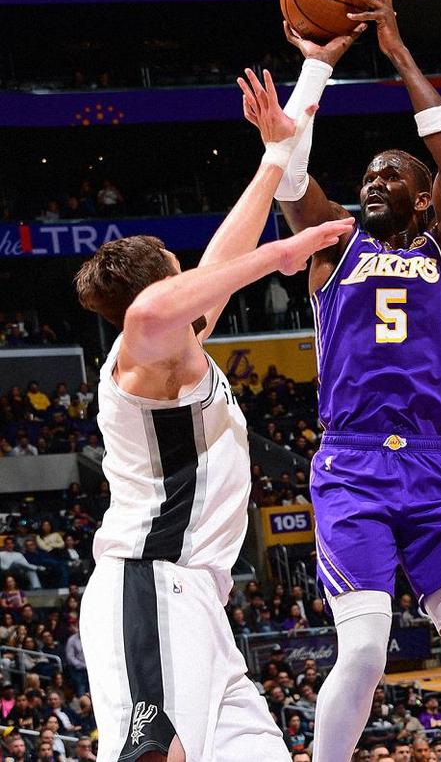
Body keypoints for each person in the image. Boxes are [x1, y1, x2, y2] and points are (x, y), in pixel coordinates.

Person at [242, 0, 441, 762]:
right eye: (367, 174)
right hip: (354, 467)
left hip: (433, 467)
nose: (374, 181)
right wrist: (315, 67)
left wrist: (394, 48)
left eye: (391, 174)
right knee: (363, 651)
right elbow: (291, 174)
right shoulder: (334, 244)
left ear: (422, 199)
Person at [75, 70, 353, 762]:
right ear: (163, 282)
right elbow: (155, 309)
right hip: (151, 583)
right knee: (152, 753)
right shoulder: (141, 357)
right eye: (181, 270)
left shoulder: (180, 348)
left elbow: (222, 255)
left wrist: (275, 153)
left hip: (202, 603)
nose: (197, 275)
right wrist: (282, 254)